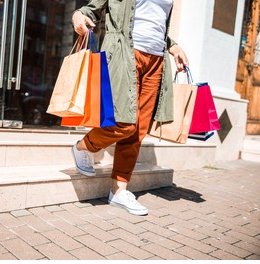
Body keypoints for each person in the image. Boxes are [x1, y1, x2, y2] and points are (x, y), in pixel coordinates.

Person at [71, 0, 189, 216]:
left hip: (156, 62)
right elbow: (90, 9)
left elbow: (154, 22)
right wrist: (79, 16)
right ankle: (83, 146)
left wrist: (173, 46)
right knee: (124, 124)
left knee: (139, 130)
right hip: (125, 53)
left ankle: (119, 190)